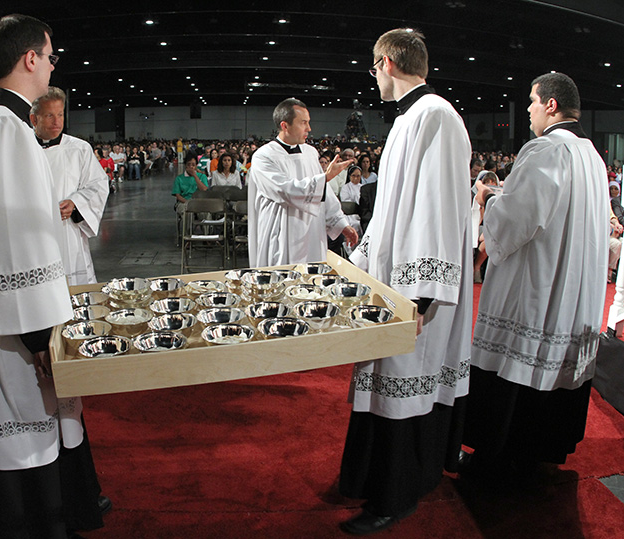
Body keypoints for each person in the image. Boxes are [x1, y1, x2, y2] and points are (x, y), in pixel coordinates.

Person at [0, 14, 108, 538]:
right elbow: (13, 243)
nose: (53, 64)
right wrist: (39, 335)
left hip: (7, 316)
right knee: (24, 439)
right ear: (30, 58)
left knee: (33, 435)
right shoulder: (5, 129)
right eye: (51, 55)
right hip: (13, 329)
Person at [339, 29, 472, 535]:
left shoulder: (434, 114)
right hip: (395, 276)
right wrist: (357, 263)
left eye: (373, 66)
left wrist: (420, 294)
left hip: (417, 287)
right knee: (386, 381)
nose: (372, 75)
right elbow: (393, 211)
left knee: (404, 382)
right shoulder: (412, 119)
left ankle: (397, 495)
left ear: (388, 62)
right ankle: (374, 481)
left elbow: (435, 210)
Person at [464, 73, 609, 478]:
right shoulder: (592, 156)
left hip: (537, 287)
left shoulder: (546, 149)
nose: (526, 109)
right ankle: (540, 452)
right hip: (574, 287)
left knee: (518, 362)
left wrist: (488, 201)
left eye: (531, 101)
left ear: (551, 105)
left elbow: (517, 221)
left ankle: (498, 457)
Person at [247, 98, 358, 266]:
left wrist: (341, 224)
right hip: (281, 231)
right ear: (285, 125)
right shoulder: (264, 156)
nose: (309, 128)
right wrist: (325, 178)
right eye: (303, 123)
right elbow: (283, 190)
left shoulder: (311, 152)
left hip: (312, 232)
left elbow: (324, 192)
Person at [31, 86, 109, 286]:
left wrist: (75, 203)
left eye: (60, 114)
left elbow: (98, 184)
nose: (57, 122)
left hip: (68, 232)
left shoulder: (79, 148)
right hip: (33, 233)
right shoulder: (22, 148)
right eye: (49, 115)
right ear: (34, 119)